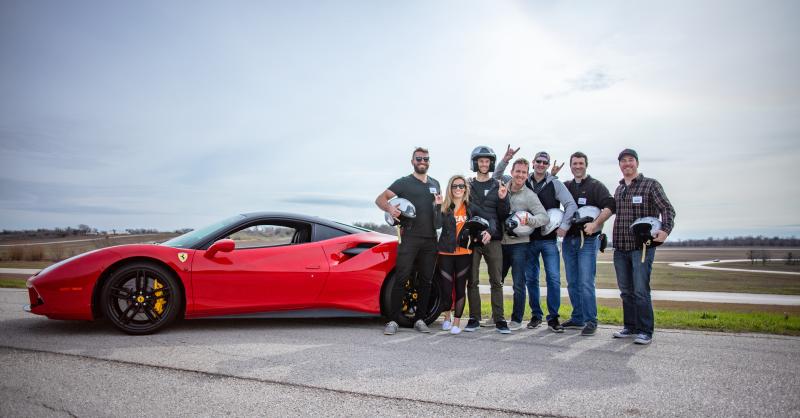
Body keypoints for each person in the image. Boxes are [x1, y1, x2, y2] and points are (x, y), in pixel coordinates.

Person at [495, 149, 576, 332]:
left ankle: (553, 318)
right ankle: (535, 316)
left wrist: (564, 226)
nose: (541, 164)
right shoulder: (522, 181)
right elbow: (497, 176)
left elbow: (568, 205)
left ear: (547, 166)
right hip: (525, 240)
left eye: (544, 162)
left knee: (553, 279)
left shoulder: (552, 184)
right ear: (533, 163)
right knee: (530, 279)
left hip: (545, 240)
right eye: (538, 161)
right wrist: (506, 160)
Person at [376, 147, 442, 335]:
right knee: (401, 278)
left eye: (426, 159)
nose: (423, 161)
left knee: (426, 281)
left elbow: (438, 213)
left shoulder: (435, 184)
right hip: (410, 238)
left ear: (429, 161)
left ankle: (420, 319)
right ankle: (393, 321)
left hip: (430, 239)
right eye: (419, 158)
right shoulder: (404, 183)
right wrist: (389, 208)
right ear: (412, 161)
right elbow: (380, 199)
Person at [612, 148, 676, 345]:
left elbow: (667, 209)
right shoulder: (620, 189)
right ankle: (630, 327)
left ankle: (645, 330)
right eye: (623, 161)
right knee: (626, 290)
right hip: (620, 247)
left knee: (640, 289)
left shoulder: (650, 185)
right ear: (620, 165)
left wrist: (665, 230)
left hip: (642, 247)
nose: (627, 164)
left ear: (637, 163)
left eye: (630, 160)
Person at [561, 151, 615, 336]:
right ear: (570, 166)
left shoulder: (595, 186)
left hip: (588, 240)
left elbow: (610, 206)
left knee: (585, 282)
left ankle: (591, 320)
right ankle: (578, 317)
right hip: (569, 240)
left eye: (580, 163)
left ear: (586, 165)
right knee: (572, 282)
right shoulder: (566, 186)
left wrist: (596, 224)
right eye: (574, 163)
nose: (577, 166)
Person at [498, 158, 549, 330]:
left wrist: (530, 219)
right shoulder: (503, 186)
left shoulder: (530, 195)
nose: (520, 175)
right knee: (497, 281)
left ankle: (517, 319)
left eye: (523, 172)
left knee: (518, 283)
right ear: (512, 172)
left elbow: (544, 217)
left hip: (520, 244)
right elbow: (496, 174)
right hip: (501, 242)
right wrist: (505, 159)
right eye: (517, 171)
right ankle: (496, 316)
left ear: (527, 175)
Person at [464, 146, 510, 333]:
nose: (484, 164)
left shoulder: (498, 185)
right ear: (475, 163)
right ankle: (474, 318)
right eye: (481, 161)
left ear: (491, 163)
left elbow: (502, 215)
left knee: (496, 281)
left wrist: (503, 199)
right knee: (472, 281)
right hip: (473, 239)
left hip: (494, 239)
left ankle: (499, 320)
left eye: (487, 161)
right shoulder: (467, 185)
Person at [437, 175, 486, 334]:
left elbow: (487, 220)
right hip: (445, 252)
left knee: (459, 288)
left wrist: (485, 232)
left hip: (464, 253)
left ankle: (457, 322)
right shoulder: (444, 207)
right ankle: (446, 317)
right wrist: (437, 206)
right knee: (445, 288)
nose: (458, 189)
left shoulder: (471, 207)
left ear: (465, 189)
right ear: (450, 189)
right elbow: (436, 224)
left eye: (461, 186)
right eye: (455, 186)